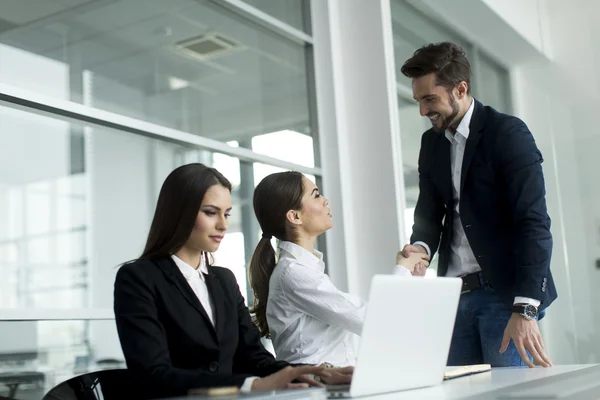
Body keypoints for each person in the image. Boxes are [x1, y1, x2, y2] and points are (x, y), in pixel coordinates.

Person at [113, 164, 352, 399]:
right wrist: (251, 385)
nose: (223, 225)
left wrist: (315, 376)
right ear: (180, 212)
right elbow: (153, 374)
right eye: (210, 212)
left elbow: (255, 359)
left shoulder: (223, 280)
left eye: (226, 214)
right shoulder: (138, 278)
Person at [399, 42, 556, 368]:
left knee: (509, 396)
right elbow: (429, 211)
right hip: (454, 297)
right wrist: (421, 248)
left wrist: (524, 308)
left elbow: (533, 222)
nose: (423, 111)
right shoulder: (431, 143)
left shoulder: (508, 134)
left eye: (430, 99)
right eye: (418, 101)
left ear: (460, 88)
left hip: (503, 297)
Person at [248, 171, 428, 366]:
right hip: (314, 388)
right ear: (295, 216)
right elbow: (372, 320)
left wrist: (409, 274)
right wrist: (402, 269)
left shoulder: (304, 269)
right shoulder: (293, 273)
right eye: (316, 195)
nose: (325, 200)